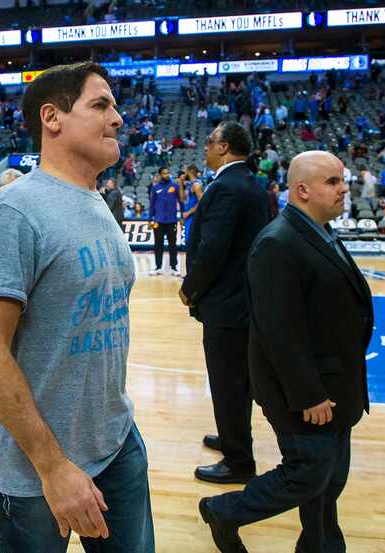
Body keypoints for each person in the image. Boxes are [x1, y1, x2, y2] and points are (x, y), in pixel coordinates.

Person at [0, 61, 154, 553]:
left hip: (115, 443)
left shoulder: (95, 202)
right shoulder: (14, 211)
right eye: (100, 105)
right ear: (53, 118)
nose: (118, 118)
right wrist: (52, 466)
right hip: (36, 469)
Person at [199, 151, 373, 553]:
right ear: (303, 190)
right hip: (307, 394)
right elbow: (280, 332)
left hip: (336, 384)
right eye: (333, 181)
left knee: (330, 478)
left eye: (342, 180)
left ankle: (321, 544)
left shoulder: (317, 231)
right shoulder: (278, 243)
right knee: (307, 474)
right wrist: (308, 393)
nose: (344, 188)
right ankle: (225, 511)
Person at [180, 121, 269, 485]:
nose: (205, 146)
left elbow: (213, 250)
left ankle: (239, 462)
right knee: (236, 381)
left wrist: (191, 288)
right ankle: (234, 438)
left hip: (228, 305)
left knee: (228, 382)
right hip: (242, 301)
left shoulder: (229, 187)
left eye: (210, 141)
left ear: (225, 147)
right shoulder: (249, 183)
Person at [148, 166, 184, 276]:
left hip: (172, 221)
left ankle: (174, 267)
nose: (167, 175)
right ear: (159, 175)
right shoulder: (155, 187)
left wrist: (182, 216)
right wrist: (150, 219)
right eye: (164, 173)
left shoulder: (175, 186)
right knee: (158, 245)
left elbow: (181, 202)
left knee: (173, 245)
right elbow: (152, 204)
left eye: (168, 173)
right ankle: (158, 267)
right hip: (158, 221)